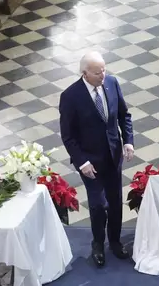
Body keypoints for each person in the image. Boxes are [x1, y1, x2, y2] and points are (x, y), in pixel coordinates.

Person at [59, 51, 133, 268]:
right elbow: (68, 136)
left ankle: (116, 242)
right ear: (85, 73)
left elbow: (123, 115)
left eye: (104, 70)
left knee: (116, 201)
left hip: (113, 156)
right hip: (90, 162)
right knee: (99, 205)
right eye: (97, 72)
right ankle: (98, 244)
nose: (103, 75)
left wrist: (128, 141)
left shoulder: (112, 83)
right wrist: (82, 162)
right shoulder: (70, 96)